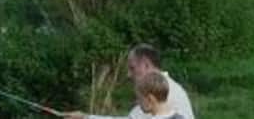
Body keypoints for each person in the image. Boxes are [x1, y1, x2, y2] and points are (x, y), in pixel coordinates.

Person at [65, 44, 195, 119]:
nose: (128, 74)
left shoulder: (167, 92)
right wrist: (85, 117)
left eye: (132, 68)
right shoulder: (160, 89)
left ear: (146, 65)